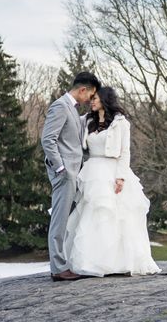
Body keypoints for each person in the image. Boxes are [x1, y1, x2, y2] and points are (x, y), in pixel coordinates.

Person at [63, 87, 160, 277]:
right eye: (91, 98)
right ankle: (92, 262)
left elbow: (125, 152)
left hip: (113, 171)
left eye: (96, 98)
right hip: (92, 172)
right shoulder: (86, 121)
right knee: (92, 216)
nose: (92, 101)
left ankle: (118, 263)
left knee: (118, 218)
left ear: (105, 100)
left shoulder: (121, 123)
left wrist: (121, 177)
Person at [41, 72, 101, 282]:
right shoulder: (60, 106)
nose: (90, 99)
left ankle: (63, 263)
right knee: (59, 220)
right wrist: (60, 169)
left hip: (74, 172)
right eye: (90, 95)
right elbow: (48, 140)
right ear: (82, 90)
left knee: (67, 220)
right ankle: (58, 268)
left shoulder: (73, 109)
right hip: (65, 174)